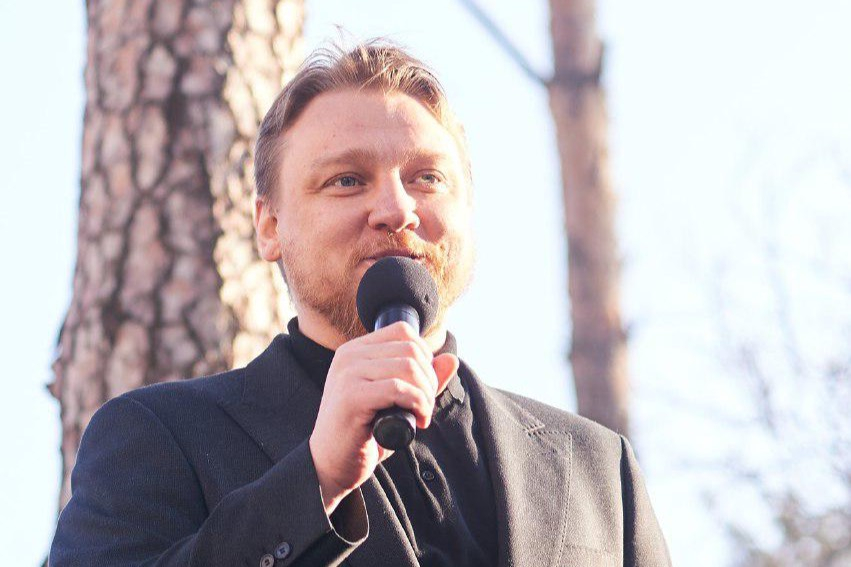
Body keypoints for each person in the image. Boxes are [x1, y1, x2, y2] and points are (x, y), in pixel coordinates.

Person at [51, 40, 671, 567]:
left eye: (427, 178)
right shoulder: (157, 436)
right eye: (347, 180)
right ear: (270, 227)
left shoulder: (597, 468)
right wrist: (315, 480)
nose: (396, 209)